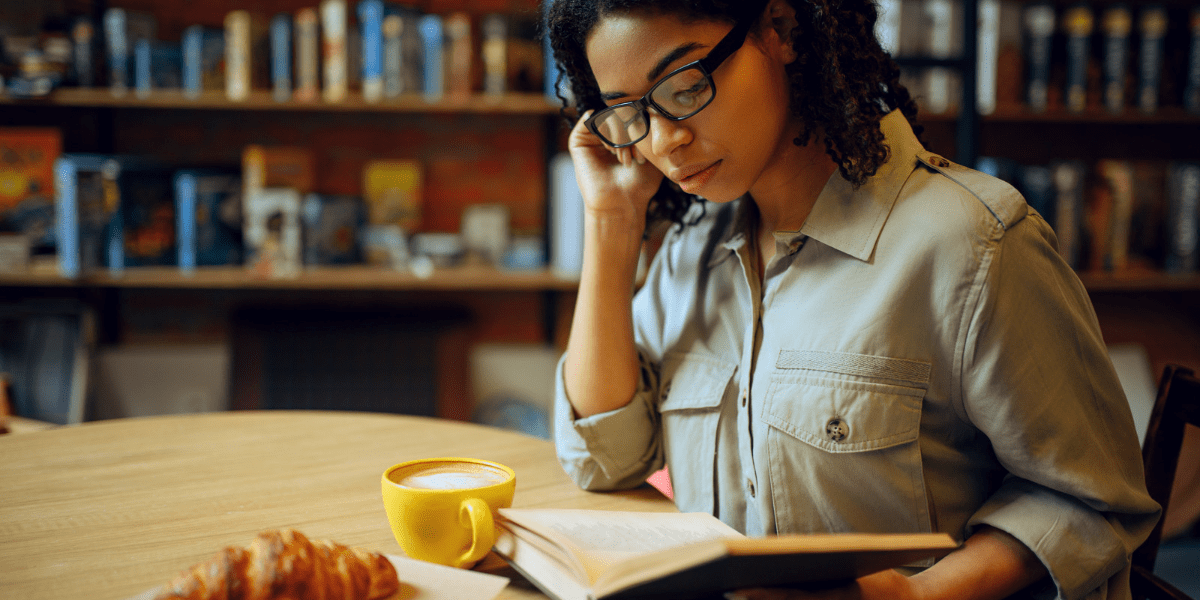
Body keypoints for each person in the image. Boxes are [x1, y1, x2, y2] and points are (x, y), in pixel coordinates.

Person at [543, 0, 1161, 598]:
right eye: (628, 113)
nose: (663, 141)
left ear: (779, 29)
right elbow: (606, 459)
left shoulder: (973, 244)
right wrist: (612, 221)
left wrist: (917, 598)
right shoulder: (691, 252)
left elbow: (1089, 498)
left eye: (683, 87)